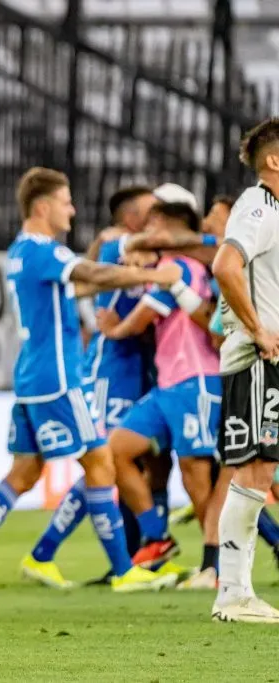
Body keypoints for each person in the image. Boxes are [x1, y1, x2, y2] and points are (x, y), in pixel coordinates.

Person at [0, 167, 181, 594]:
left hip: (33, 376)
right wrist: (152, 277)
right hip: (60, 378)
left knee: (25, 473)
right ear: (43, 206)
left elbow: (79, 287)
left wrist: (115, 267)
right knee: (99, 462)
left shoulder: (20, 252)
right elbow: (96, 275)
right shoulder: (42, 250)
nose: (72, 209)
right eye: (67, 201)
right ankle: (124, 570)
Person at [96, 203, 219, 570]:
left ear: (166, 228)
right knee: (116, 450)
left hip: (196, 381)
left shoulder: (180, 267)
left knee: (197, 476)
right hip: (168, 385)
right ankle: (158, 536)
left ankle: (217, 565)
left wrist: (114, 329)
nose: (144, 229)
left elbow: (143, 318)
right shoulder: (171, 267)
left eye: (151, 223)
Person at [210, 117, 279, 622]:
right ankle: (232, 593)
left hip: (268, 359)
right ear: (274, 161)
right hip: (259, 361)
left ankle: (235, 590)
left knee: (263, 471)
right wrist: (258, 330)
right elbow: (225, 266)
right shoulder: (258, 205)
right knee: (256, 470)